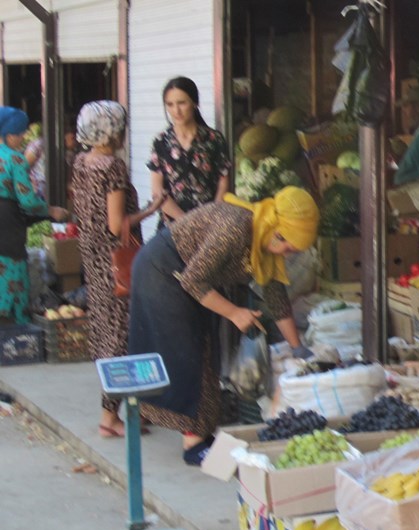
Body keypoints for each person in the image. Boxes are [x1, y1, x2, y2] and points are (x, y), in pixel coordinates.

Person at [128, 187, 319, 466]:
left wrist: (298, 348)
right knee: (187, 353)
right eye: (288, 246)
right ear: (276, 230)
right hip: (163, 272)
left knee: (208, 353)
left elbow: (277, 299)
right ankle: (192, 443)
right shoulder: (237, 228)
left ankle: (202, 432)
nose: (288, 253)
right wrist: (234, 313)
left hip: (193, 280)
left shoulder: (265, 244)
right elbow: (192, 280)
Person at [72, 101, 164, 438]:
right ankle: (109, 417)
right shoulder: (112, 167)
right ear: (112, 130)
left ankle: (133, 410)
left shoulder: (81, 162)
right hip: (116, 262)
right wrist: (150, 209)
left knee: (105, 330)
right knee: (119, 333)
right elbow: (116, 225)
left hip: (93, 259)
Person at [0, 107, 67, 325]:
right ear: (9, 134)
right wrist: (52, 211)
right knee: (13, 276)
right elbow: (28, 201)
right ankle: (16, 333)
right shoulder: (15, 159)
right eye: (20, 133)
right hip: (7, 228)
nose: (23, 138)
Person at [148, 77, 231, 229]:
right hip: (173, 227)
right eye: (170, 105)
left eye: (182, 103)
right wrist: (186, 221)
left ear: (195, 103)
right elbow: (157, 190)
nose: (176, 111)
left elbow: (223, 182)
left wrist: (211, 217)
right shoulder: (161, 142)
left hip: (209, 224)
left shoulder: (213, 139)